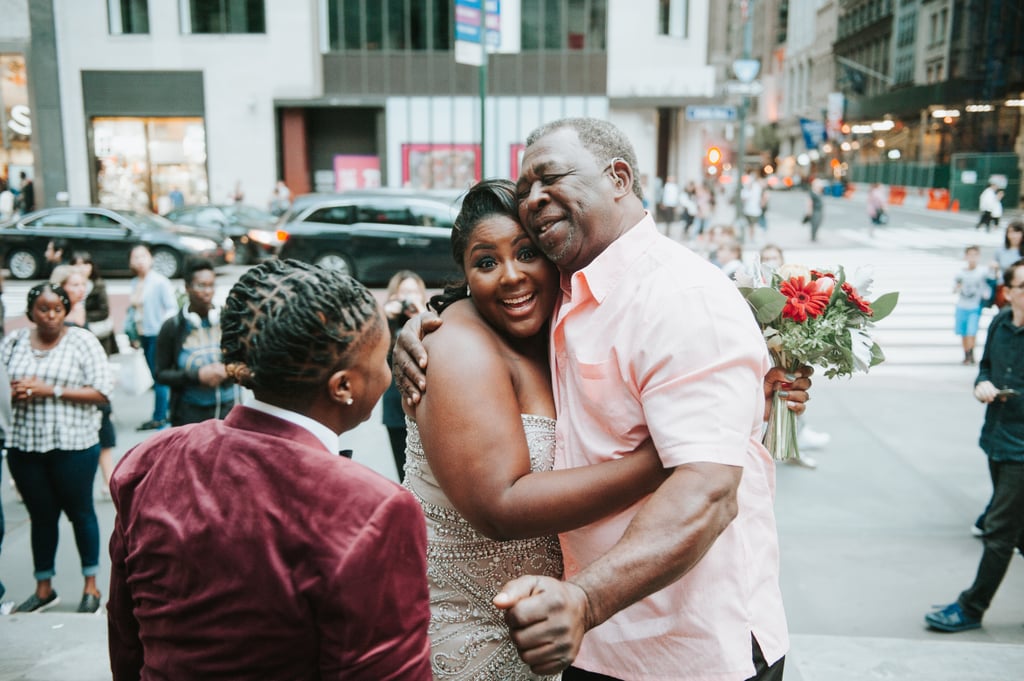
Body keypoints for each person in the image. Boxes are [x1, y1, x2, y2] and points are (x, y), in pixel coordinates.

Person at [396, 118, 808, 680]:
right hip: (590, 646)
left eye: (550, 178)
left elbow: (709, 490)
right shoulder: (566, 290)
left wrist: (585, 601)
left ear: (618, 177)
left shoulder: (679, 296)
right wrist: (413, 327)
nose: (535, 199)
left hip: (685, 651)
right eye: (525, 191)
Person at [107, 259, 432, 679]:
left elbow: (125, 642)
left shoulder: (149, 461)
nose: (389, 373)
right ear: (343, 386)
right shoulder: (376, 510)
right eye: (382, 358)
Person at [402, 180, 671, 679]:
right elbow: (500, 507)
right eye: (486, 262)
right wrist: (668, 460)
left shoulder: (560, 329)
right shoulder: (455, 345)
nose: (510, 277)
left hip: (554, 627)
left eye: (526, 253)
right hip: (473, 634)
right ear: (463, 275)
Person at [925, 258, 1024, 633]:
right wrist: (982, 384)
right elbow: (984, 367)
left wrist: (1009, 396)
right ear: (1010, 291)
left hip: (1021, 450)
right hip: (997, 438)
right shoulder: (1001, 323)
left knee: (999, 530)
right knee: (1019, 528)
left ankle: (972, 607)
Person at [1, 283, 113, 614]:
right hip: (26, 446)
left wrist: (50, 390)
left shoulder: (82, 341)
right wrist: (16, 393)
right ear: (30, 313)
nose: (50, 315)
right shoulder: (14, 342)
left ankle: (91, 586)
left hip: (74, 446)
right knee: (42, 517)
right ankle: (43, 587)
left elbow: (103, 392)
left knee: (81, 514)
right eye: (43, 309)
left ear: (66, 311)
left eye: (57, 309)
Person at [155, 258, 237, 427]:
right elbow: (160, 374)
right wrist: (197, 376)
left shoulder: (227, 320)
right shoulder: (173, 327)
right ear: (187, 288)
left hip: (226, 409)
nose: (207, 291)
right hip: (189, 413)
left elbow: (245, 360)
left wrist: (227, 370)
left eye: (211, 285)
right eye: (201, 286)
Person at [69, 252, 119, 496]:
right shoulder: (61, 318)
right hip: (78, 388)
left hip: (97, 374)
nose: (80, 288)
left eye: (81, 285)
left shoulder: (95, 292)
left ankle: (109, 481)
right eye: (74, 284)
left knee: (105, 430)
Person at [127, 245, 178, 430]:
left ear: (151, 259)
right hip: (143, 334)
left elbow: (171, 308)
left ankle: (160, 417)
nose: (139, 260)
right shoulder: (134, 282)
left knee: (159, 377)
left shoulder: (159, 282)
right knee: (155, 376)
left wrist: (164, 329)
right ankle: (163, 414)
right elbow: (133, 312)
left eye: (143, 256)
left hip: (157, 334)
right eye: (135, 257)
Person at [381, 270, 427, 480]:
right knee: (404, 472)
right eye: (404, 292)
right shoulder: (386, 322)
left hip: (425, 405)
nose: (409, 297)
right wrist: (385, 317)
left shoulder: (428, 317)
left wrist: (420, 314)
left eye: (413, 292)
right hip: (394, 409)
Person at [954, 245, 991, 366]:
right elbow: (954, 288)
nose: (972, 258)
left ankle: (971, 353)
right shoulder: (960, 273)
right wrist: (957, 287)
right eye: (970, 255)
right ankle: (966, 354)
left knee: (972, 331)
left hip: (975, 306)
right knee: (963, 332)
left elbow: (989, 284)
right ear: (965, 256)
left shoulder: (982, 272)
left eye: (975, 255)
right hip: (962, 306)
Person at [740, 173, 764, 243]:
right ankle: (751, 238)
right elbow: (744, 198)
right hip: (748, 210)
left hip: (754, 210)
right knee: (750, 225)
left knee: (753, 226)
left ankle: (752, 238)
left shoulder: (757, 187)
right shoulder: (747, 188)